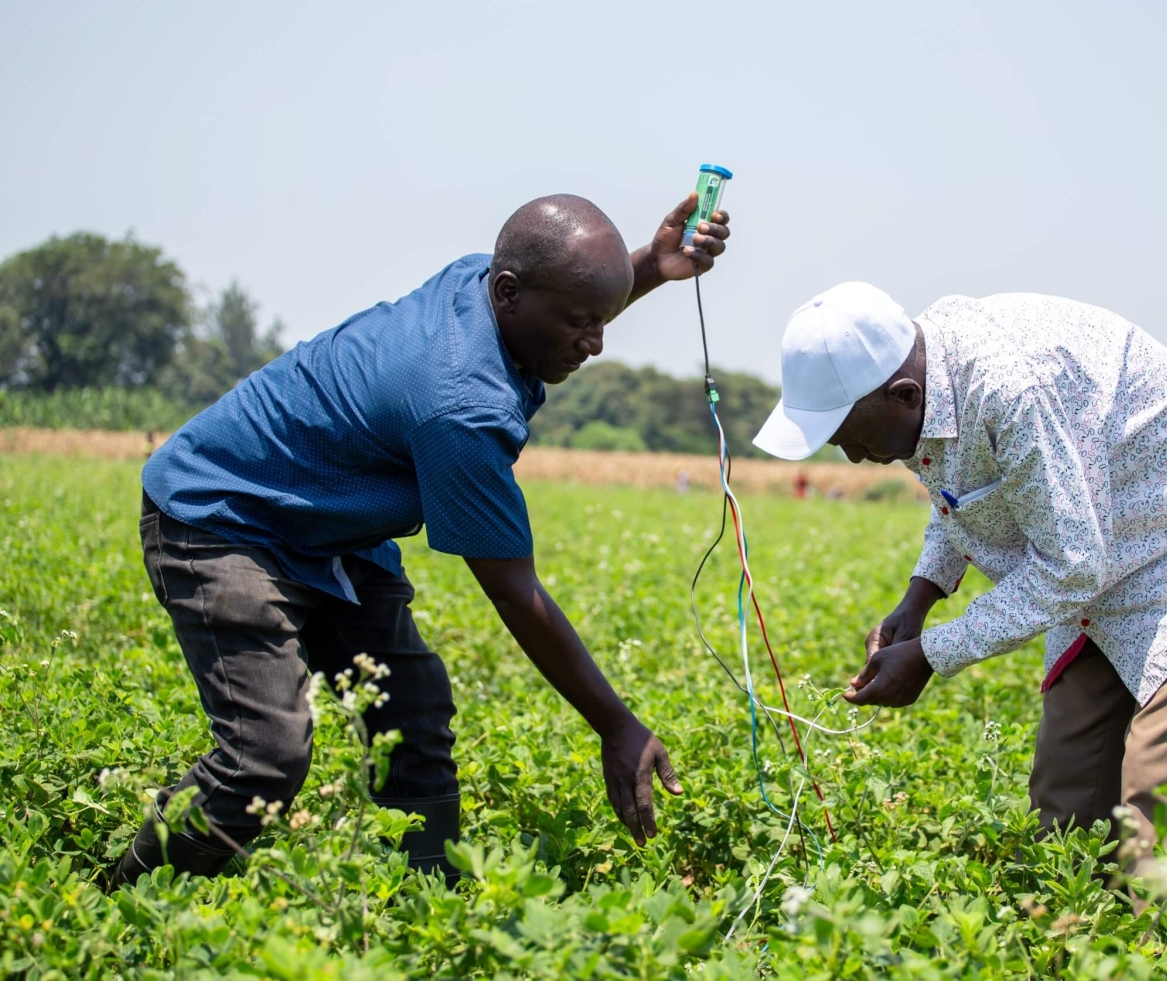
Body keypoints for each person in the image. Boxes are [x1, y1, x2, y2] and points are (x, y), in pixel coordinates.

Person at [111, 192, 731, 889]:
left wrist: (652, 265)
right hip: (221, 516)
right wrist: (618, 726)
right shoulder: (458, 402)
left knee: (412, 707)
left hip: (326, 522)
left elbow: (557, 292)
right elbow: (513, 589)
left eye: (601, 320)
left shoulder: (487, 283)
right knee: (265, 756)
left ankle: (427, 902)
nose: (595, 344)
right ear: (508, 292)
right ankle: (123, 901)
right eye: (581, 325)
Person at [752, 283, 1167, 858]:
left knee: (1161, 817)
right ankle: (1085, 941)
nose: (854, 458)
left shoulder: (1008, 389)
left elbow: (1071, 571)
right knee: (1067, 809)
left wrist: (932, 656)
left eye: (851, 439)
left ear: (905, 395)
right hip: (1106, 553)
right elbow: (961, 494)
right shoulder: (923, 380)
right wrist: (920, 598)